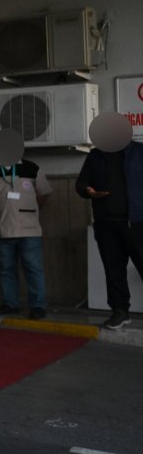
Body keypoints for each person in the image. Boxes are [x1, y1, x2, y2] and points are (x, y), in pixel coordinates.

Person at [75, 137, 143, 330]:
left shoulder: (139, 151)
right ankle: (120, 312)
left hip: (137, 223)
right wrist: (88, 190)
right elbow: (81, 184)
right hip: (107, 224)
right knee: (114, 271)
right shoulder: (96, 155)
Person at [0, 157, 52, 320]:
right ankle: (10, 304)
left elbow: (43, 193)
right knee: (6, 270)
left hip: (29, 229)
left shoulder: (31, 168)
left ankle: (38, 305)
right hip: (0, 228)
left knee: (33, 269)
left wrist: (29, 211)